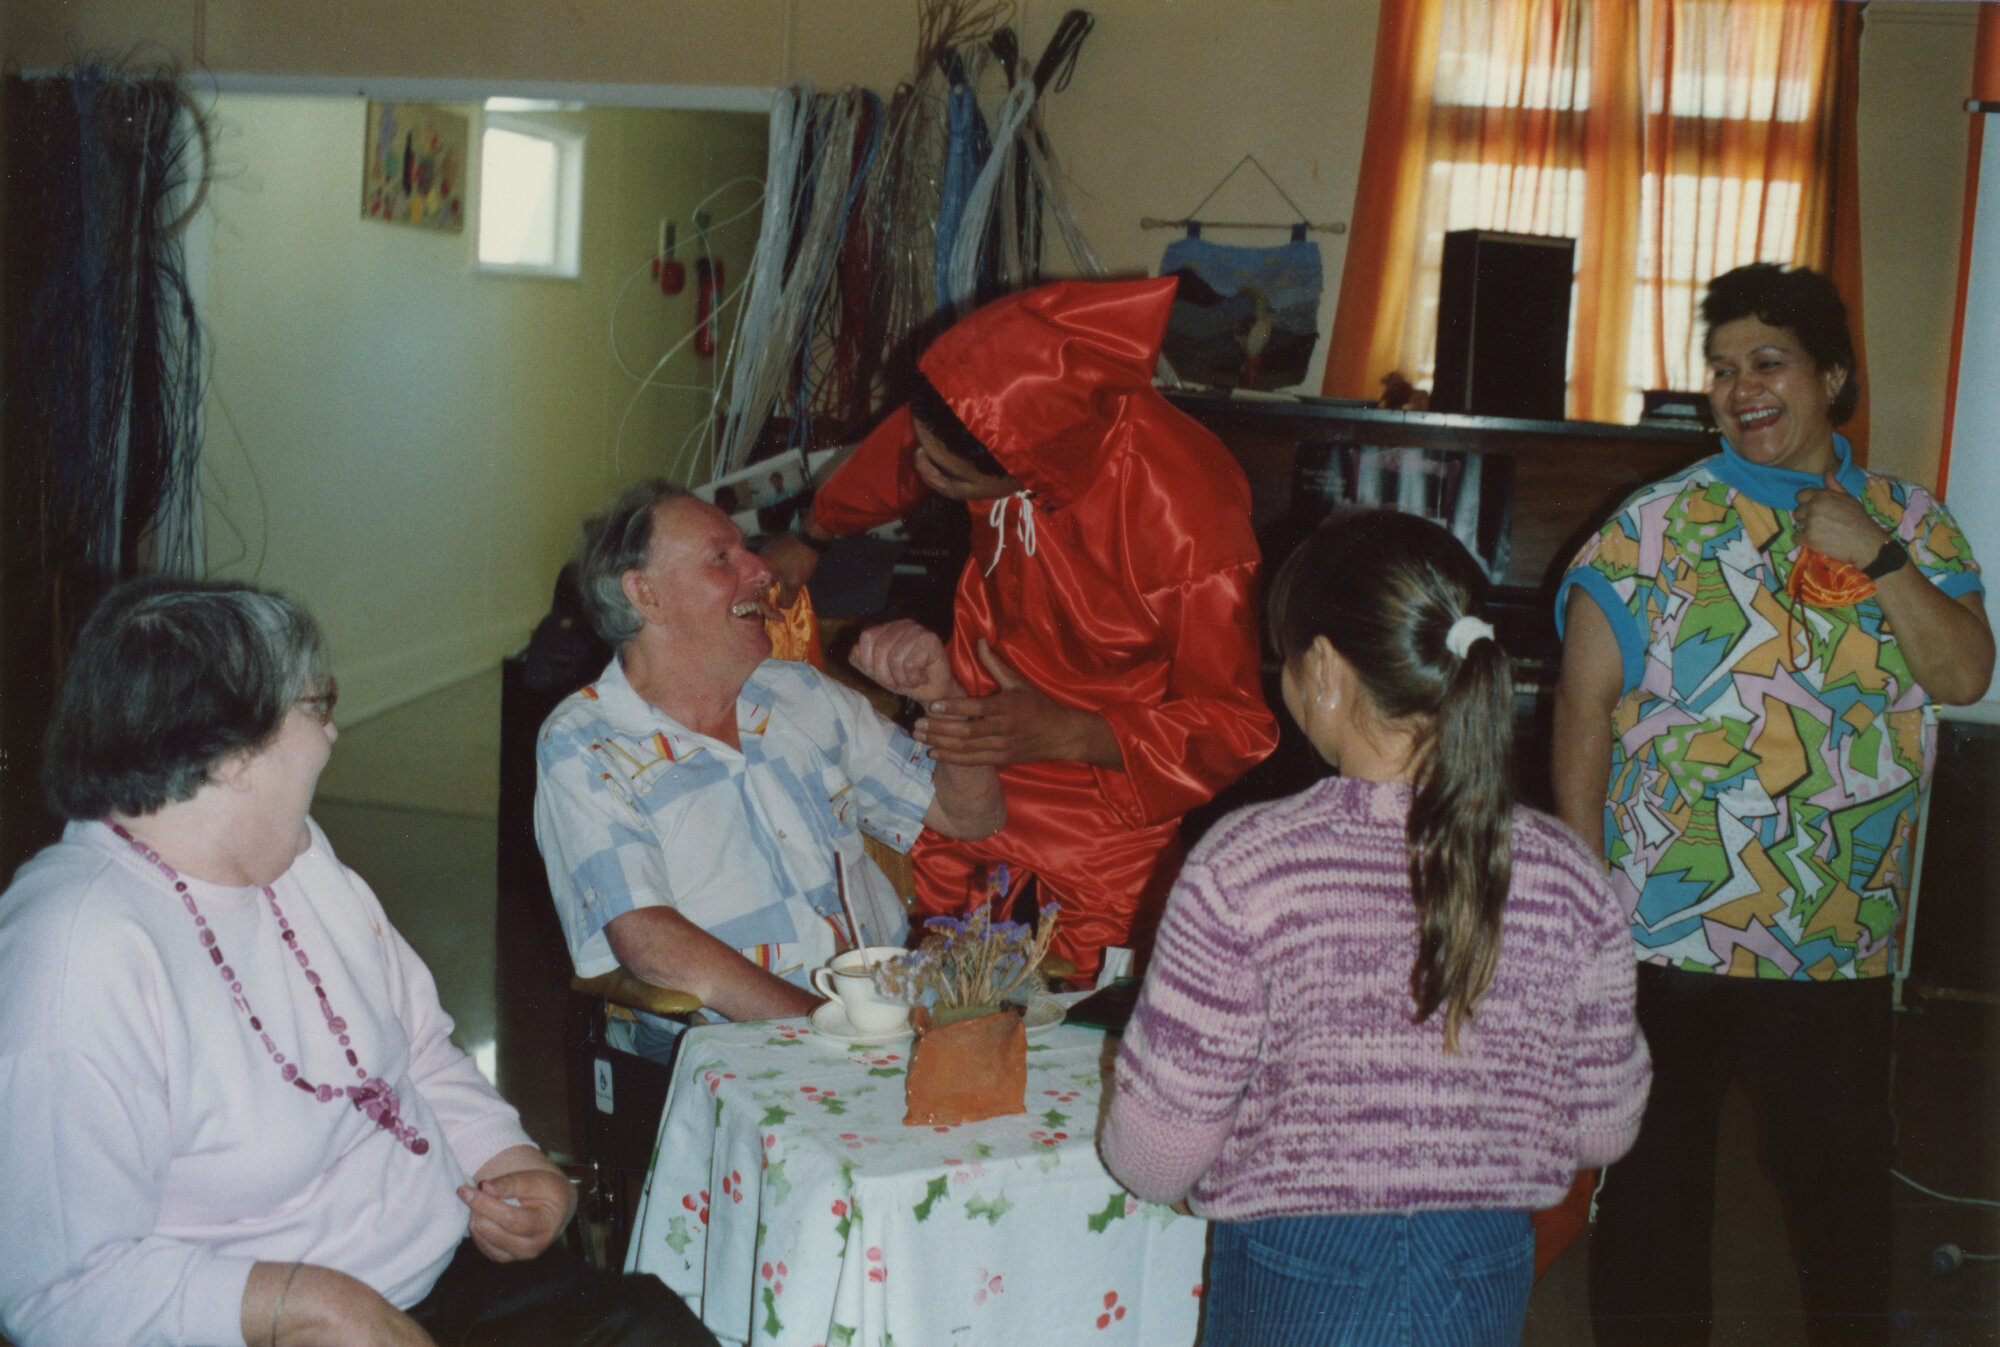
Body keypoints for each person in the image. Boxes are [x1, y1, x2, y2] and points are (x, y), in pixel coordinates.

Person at [0, 577, 714, 1347]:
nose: (333, 734)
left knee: (650, 1327)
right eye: (319, 703)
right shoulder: (76, 955)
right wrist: (303, 1303)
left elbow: (416, 1052)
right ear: (233, 754)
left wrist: (511, 1160)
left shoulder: (298, 858)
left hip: (442, 1269)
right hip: (268, 1328)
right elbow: (54, 1291)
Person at [1553, 263, 1994, 1346]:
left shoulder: (1913, 520)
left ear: (1829, 377)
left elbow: (1961, 675)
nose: (1738, 387)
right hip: (1665, 923)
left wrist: (1876, 556)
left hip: (1835, 932)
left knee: (1840, 1200)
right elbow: (1582, 707)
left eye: (1766, 362)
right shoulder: (1652, 524)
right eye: (1720, 368)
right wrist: (1576, 892)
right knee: (1652, 1197)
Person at [1100, 510, 1651, 1347]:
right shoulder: (1570, 877)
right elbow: (1603, 1126)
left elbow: (1153, 1156)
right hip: (1486, 1256)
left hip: (1297, 1263)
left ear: (1323, 668)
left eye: (1283, 659)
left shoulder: (1244, 866)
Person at [764, 276, 1279, 977]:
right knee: (933, 974)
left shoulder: (1188, 520)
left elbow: (1234, 727)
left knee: (1082, 1007)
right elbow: (896, 457)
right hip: (974, 755)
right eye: (923, 450)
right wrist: (811, 532)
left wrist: (1065, 728)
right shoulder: (996, 407)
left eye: (946, 474)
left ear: (1028, 469)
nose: (920, 472)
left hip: (1111, 793)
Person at [534, 481, 1004, 1061]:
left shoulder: (800, 693)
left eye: (749, 550)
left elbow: (973, 815)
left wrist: (943, 698)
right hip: (732, 1054)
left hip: (886, 1025)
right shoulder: (585, 740)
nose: (762, 569)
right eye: (722, 556)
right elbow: (648, 939)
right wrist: (828, 1027)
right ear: (646, 595)